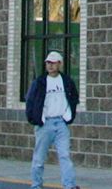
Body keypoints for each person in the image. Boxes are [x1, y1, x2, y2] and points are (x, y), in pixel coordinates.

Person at [23, 50, 79, 189]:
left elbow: (74, 98)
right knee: (39, 158)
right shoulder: (39, 82)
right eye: (48, 62)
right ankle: (36, 185)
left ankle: (69, 185)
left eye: (53, 63)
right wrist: (35, 119)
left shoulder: (67, 81)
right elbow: (30, 100)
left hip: (61, 124)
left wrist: (69, 117)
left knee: (65, 156)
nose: (50, 65)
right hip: (44, 124)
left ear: (60, 64)